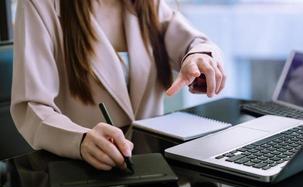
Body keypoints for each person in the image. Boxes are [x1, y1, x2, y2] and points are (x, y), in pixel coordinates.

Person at [11, 0, 225, 171]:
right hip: (84, 173)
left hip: (151, 174)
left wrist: (197, 56)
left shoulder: (147, 5)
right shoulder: (38, 5)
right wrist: (79, 140)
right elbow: (31, 106)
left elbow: (194, 43)